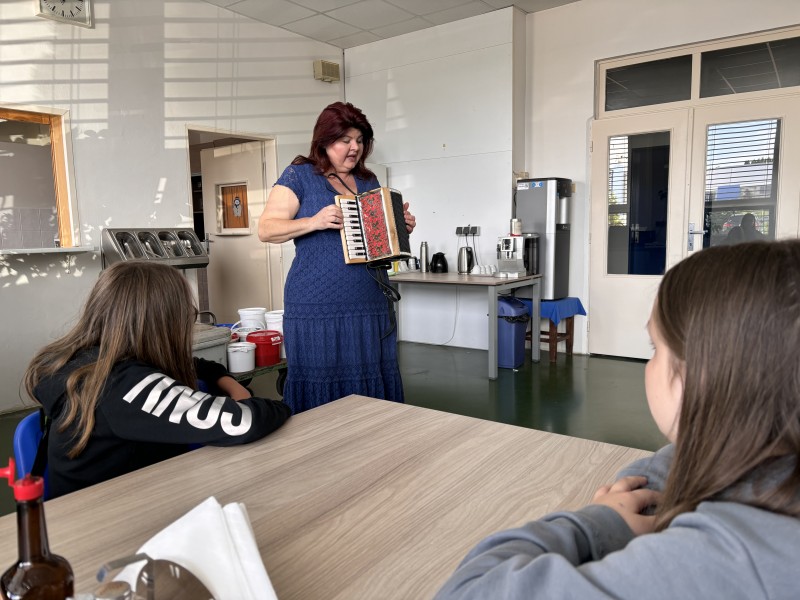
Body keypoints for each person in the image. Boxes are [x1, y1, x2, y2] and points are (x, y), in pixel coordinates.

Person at [435, 239, 800, 599]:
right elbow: (663, 467)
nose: (650, 363)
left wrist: (599, 522)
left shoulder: (717, 559)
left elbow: (468, 590)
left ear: (704, 376)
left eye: (655, 348)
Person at [22, 261, 292, 499]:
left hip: (131, 499)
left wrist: (229, 383)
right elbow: (244, 422)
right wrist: (279, 406)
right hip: (108, 523)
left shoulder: (87, 364)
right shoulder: (123, 385)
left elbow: (197, 365)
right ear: (162, 323)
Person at [258, 101, 416, 413]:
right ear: (325, 140)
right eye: (345, 140)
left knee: (370, 378)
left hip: (369, 300)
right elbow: (266, 230)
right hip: (317, 303)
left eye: (359, 140)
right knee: (321, 377)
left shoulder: (368, 181)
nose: (355, 147)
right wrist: (313, 221)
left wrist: (399, 227)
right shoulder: (299, 175)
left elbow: (378, 245)